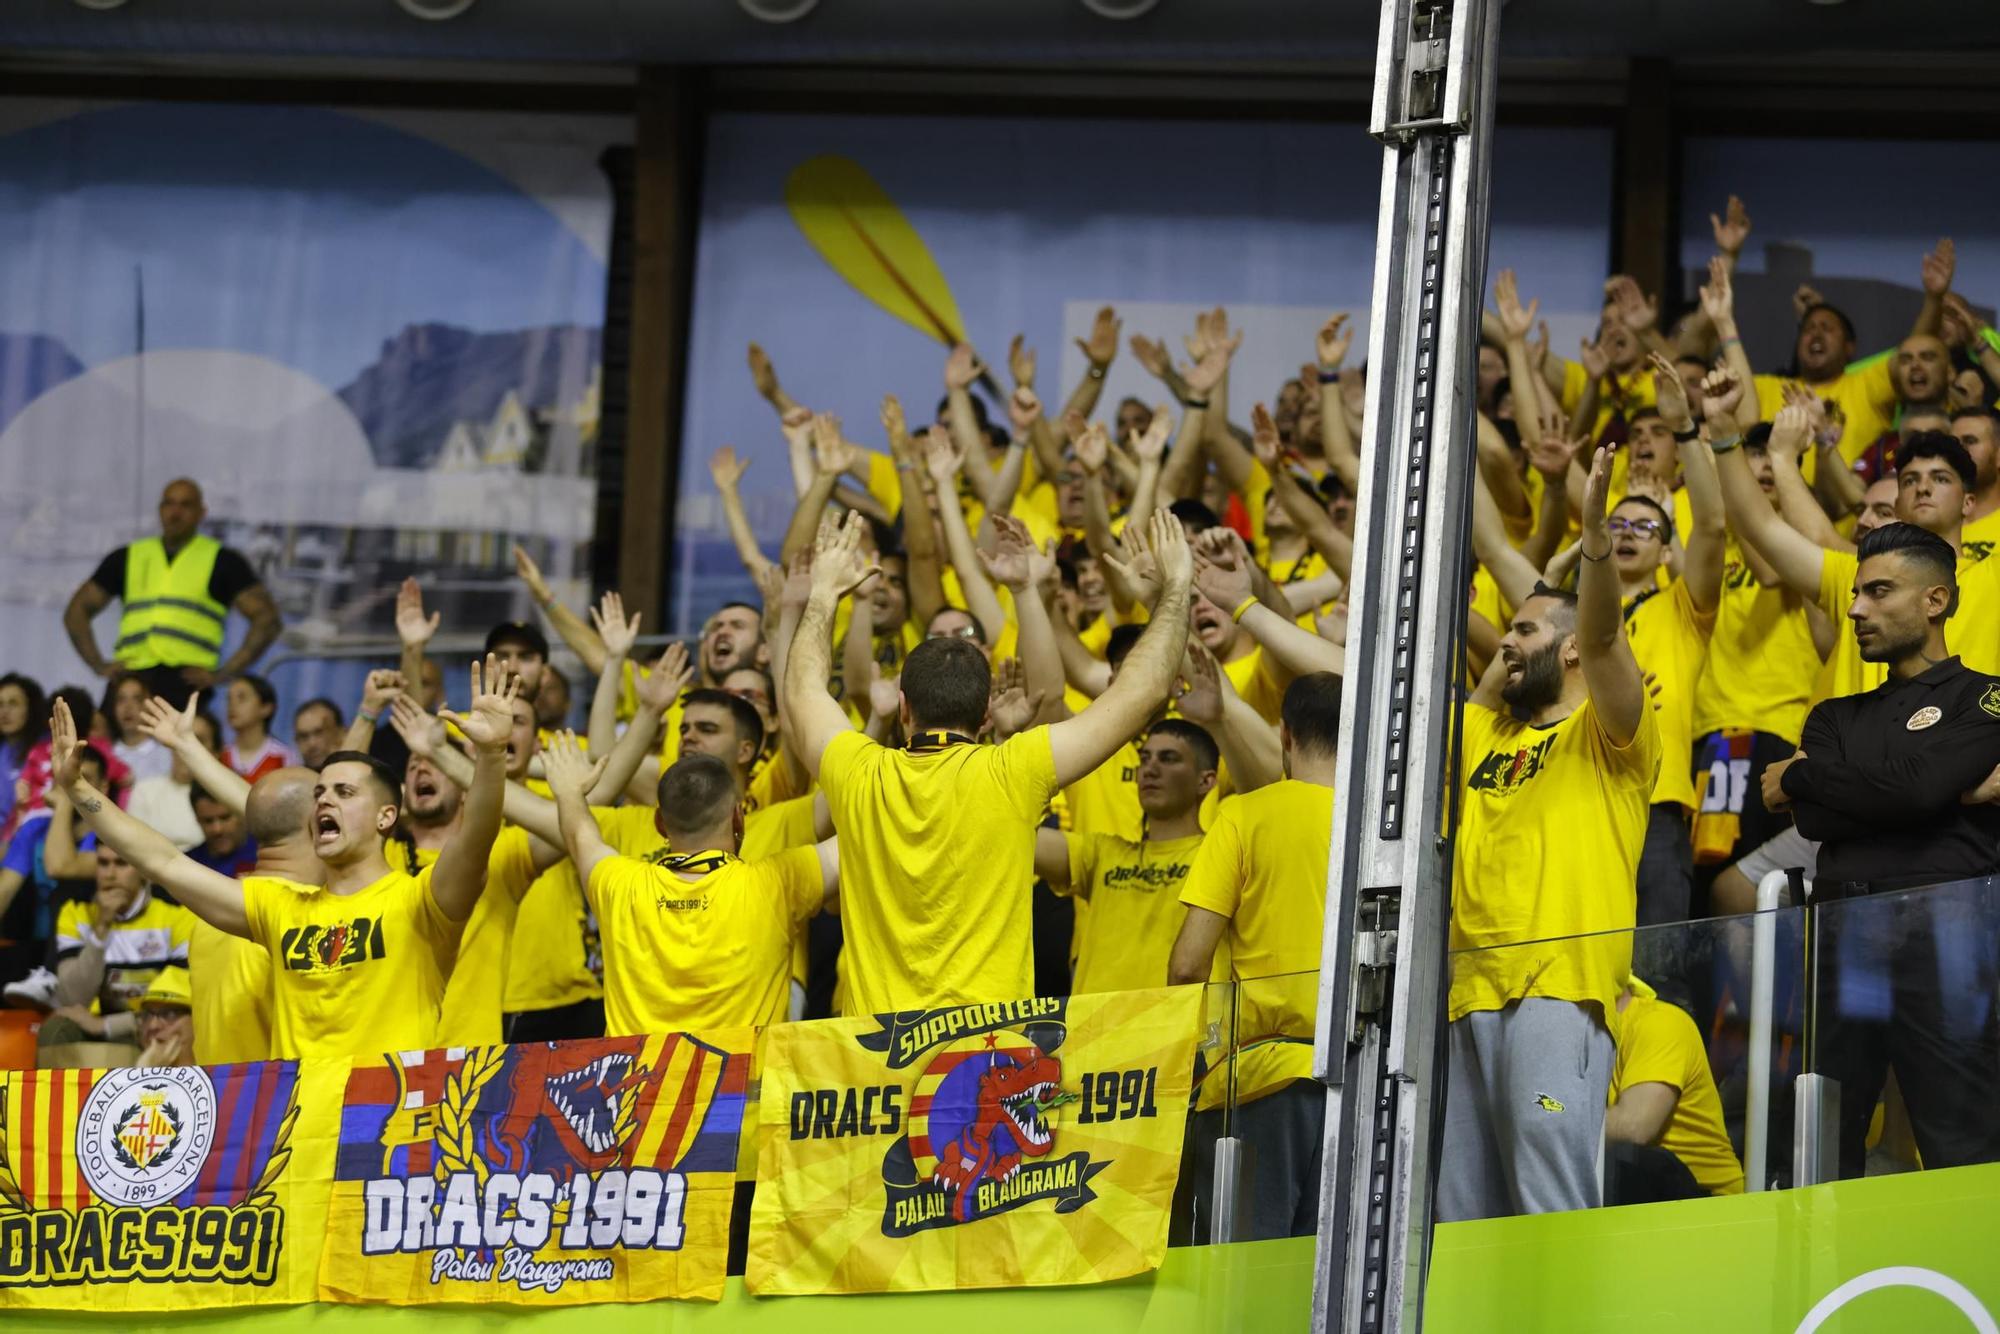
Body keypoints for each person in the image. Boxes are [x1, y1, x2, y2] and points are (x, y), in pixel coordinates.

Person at [783, 508, 1195, 1014]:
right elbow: (1146, 689)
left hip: (876, 1073)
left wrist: (824, 593)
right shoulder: (1013, 769)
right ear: (984, 715)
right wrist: (1176, 586)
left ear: (904, 709)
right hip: (986, 1062)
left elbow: (802, 690)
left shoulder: (858, 769)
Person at [51, 658, 516, 1061]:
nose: (325, 801)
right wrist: (79, 791)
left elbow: (477, 835)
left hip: (385, 1138)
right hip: (297, 1141)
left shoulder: (420, 901)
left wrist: (492, 756)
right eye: (319, 793)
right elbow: (164, 862)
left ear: (385, 816)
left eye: (344, 791)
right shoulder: (281, 908)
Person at [1439, 445, 1661, 1222]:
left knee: (1549, 1196)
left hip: (1559, 986)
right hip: (1468, 994)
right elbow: (1486, 680)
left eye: (1525, 630)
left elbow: (1600, 640)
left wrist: (1593, 538)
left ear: (1567, 647)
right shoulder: (1484, 737)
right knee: (1461, 1215)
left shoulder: (1612, 736)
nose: (1504, 642)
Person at [1761, 522, 2000, 1178]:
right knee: (1819, 1146)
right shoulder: (1834, 717)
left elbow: (1917, 792)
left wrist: (1803, 775)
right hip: (1844, 941)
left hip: (1947, 939)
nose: (1855, 608)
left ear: (1937, 601)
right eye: (1856, 593)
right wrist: (1949, 793)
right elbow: (1817, 821)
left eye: (1879, 591)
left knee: (1962, 1144)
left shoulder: (1986, 697)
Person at [1168, 672, 1342, 1241]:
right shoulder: (1384, 831)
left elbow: (1189, 964)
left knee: (1242, 1279)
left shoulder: (1244, 815)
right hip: (1359, 1084)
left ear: (1285, 736)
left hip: (1260, 1081)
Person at [545, 741, 839, 1034]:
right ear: (738, 816)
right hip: (743, 1079)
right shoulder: (776, 884)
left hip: (637, 1080)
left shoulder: (620, 884)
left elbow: (579, 835)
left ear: (660, 823)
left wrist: (568, 791)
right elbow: (859, 830)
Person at [1034, 719, 1219, 995]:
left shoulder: (1220, 856)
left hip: (1176, 1033)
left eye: (1168, 759)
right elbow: (1017, 837)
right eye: (1145, 758)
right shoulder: (1102, 853)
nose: (1150, 769)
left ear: (1205, 780)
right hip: (1092, 1034)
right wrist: (1004, 741)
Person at [61, 478, 281, 707]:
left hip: (185, 682)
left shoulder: (223, 561)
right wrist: (99, 664)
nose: (175, 513)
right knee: (112, 743)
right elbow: (76, 611)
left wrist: (225, 673)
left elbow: (267, 619)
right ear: (159, 510)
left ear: (201, 512)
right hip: (130, 678)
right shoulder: (129, 556)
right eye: (169, 504)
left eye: (185, 505)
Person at [40, 841, 192, 1047]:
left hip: (158, 1024)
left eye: (121, 864)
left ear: (143, 871)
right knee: (56, 1029)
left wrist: (107, 1025)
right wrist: (101, 928)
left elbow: (184, 1003)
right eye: (103, 863)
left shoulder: (177, 914)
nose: (110, 874)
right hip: (94, 1024)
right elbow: (73, 999)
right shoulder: (75, 911)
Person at [1606, 979, 1745, 1200]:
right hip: (1646, 1202)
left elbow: (1635, 1126)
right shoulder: (1585, 1046)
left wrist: (1548, 1125)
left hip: (1710, 1207)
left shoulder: (1659, 1023)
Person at [221, 674, 298, 780]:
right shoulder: (220, 755)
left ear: (266, 708)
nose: (232, 705)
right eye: (229, 699)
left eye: (242, 698)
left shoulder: (283, 757)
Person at [132, 965, 198, 1068]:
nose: (153, 1026)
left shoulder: (225, 1078)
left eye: (171, 1014)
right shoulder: (116, 1081)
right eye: (146, 1015)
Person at [293, 697, 345, 770]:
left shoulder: (362, 776)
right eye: (303, 736)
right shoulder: (290, 779)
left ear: (341, 733)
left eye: (319, 733)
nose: (312, 744)